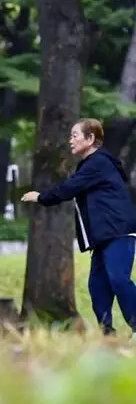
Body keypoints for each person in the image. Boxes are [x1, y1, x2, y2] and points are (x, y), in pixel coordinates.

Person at [21, 118, 136, 337]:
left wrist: (42, 196)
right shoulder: (94, 164)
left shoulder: (98, 162)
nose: (70, 140)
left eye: (75, 135)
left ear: (90, 138)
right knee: (97, 287)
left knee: (119, 279)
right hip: (103, 236)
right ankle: (107, 334)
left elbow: (69, 187)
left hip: (118, 232)